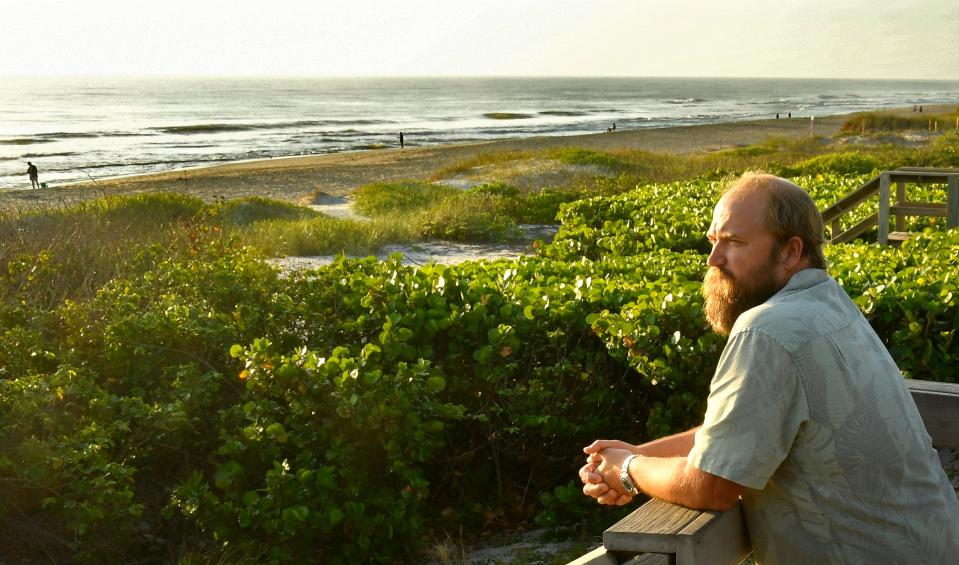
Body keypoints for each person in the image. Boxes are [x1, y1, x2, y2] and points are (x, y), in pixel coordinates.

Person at [579, 173, 959, 563]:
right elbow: (739, 430)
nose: (714, 259)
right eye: (714, 241)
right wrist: (639, 452)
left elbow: (712, 486)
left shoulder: (766, 329)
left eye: (735, 242)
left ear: (790, 253)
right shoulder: (831, 304)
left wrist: (628, 469)